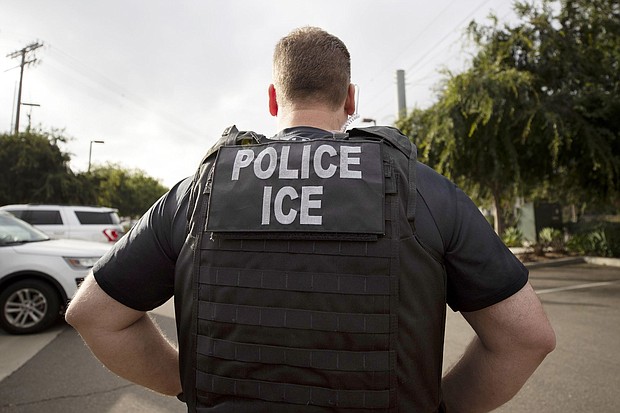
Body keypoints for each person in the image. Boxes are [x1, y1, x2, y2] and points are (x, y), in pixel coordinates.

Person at [66, 26, 555, 412]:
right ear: (351, 100)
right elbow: (526, 338)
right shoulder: (421, 187)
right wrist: (442, 405)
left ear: (274, 100)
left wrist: (185, 381)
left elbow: (92, 315)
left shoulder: (203, 190)